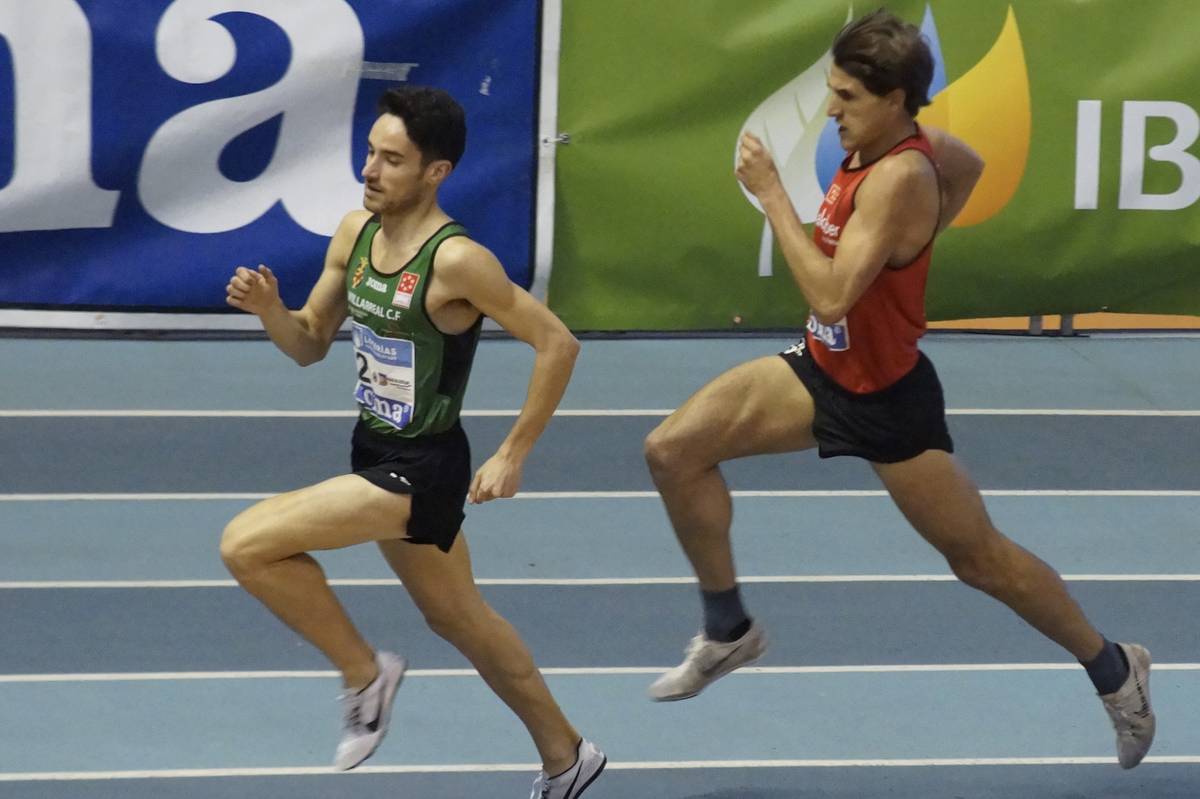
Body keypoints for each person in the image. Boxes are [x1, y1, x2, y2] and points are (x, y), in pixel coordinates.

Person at [642, 9, 1154, 769]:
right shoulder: (911, 147)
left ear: (893, 100)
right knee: (672, 450)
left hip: (886, 399)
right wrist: (923, 242)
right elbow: (971, 165)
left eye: (847, 96)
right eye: (833, 91)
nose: (834, 109)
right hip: (822, 372)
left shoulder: (899, 176)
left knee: (981, 560)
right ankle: (728, 630)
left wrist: (775, 196)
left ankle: (1117, 671)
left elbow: (829, 297)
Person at [220, 85, 605, 798]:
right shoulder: (353, 234)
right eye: (369, 152)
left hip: (423, 468)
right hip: (373, 448)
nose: (370, 169)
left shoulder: (457, 261)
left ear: (437, 172)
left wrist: (513, 451)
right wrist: (272, 311)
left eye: (392, 160)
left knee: (246, 544)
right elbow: (309, 345)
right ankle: (567, 754)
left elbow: (558, 343)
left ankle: (365, 674)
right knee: (461, 619)